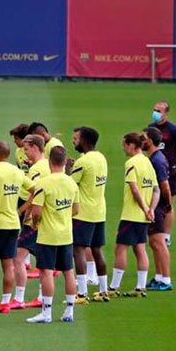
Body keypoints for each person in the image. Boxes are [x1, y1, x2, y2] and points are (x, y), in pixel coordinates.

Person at [25, 146, 81, 323]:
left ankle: (47, 313)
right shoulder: (72, 183)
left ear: (50, 162)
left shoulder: (44, 183)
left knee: (46, 272)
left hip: (48, 235)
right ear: (65, 162)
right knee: (68, 271)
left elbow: (36, 212)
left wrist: (35, 225)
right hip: (66, 234)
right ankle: (70, 311)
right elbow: (76, 210)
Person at [110, 132, 159, 297]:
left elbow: (134, 188)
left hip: (131, 214)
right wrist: (151, 209)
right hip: (144, 217)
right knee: (140, 248)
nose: (123, 148)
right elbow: (156, 189)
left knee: (120, 248)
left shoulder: (131, 163)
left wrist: (145, 208)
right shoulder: (148, 162)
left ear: (131, 145)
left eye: (124, 144)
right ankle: (140, 287)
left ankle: (114, 288)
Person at [0, 141, 31, 314]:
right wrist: (21, 209)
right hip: (13, 223)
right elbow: (35, 189)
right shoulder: (17, 171)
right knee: (8, 264)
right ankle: (5, 302)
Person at [70, 126, 111, 301]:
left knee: (78, 250)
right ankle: (103, 291)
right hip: (99, 212)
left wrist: (66, 170)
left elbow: (70, 185)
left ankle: (82, 293)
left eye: (76, 138)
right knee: (97, 251)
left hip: (83, 213)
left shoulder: (83, 162)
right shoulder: (101, 158)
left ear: (85, 140)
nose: (73, 141)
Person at [9, 134, 48, 309]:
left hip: (35, 219)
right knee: (43, 258)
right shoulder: (48, 165)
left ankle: (19, 298)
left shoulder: (36, 170)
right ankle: (41, 296)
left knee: (17, 257)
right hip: (48, 218)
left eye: (26, 149)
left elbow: (35, 195)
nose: (24, 154)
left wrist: (22, 212)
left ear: (34, 147)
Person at [149, 100, 176, 247]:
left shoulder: (173, 130)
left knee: (168, 203)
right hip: (153, 170)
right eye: (154, 110)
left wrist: (174, 160)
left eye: (159, 111)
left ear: (166, 113)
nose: (156, 113)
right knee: (152, 200)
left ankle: (166, 236)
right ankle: (154, 231)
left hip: (169, 172)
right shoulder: (151, 128)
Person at [144, 127, 174, 291]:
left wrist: (168, 204)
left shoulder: (157, 160)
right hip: (156, 205)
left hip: (158, 206)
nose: (142, 141)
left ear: (151, 140)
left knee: (159, 242)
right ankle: (159, 276)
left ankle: (166, 280)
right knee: (154, 243)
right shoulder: (155, 158)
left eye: (144, 138)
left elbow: (165, 185)